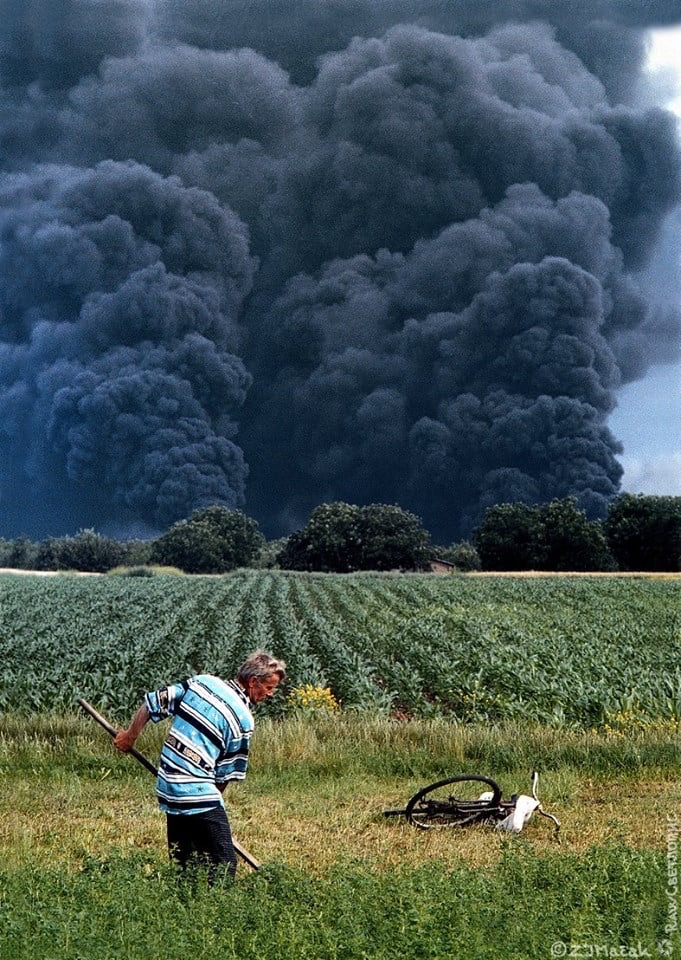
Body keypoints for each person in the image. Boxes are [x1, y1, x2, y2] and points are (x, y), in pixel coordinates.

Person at [114, 649, 286, 881]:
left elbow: (154, 702)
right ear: (253, 681)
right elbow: (223, 776)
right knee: (224, 862)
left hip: (167, 786)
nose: (271, 694)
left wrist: (129, 737)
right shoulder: (244, 720)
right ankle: (218, 911)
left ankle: (184, 902)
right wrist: (212, 811)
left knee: (184, 859)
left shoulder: (202, 682)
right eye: (269, 687)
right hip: (196, 789)